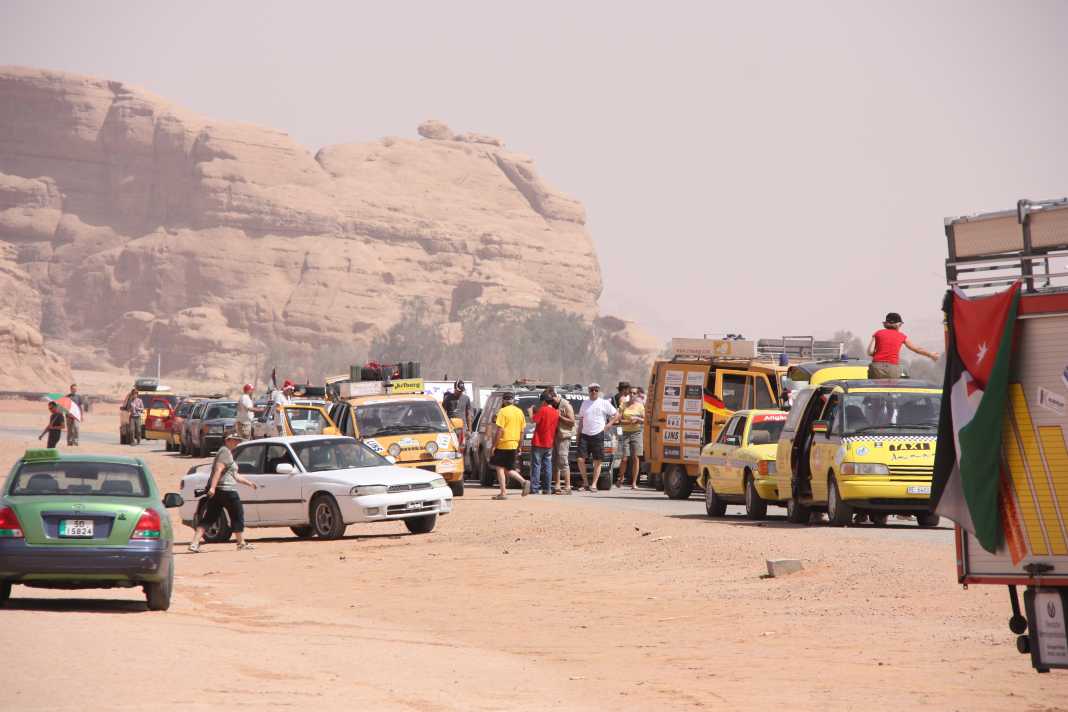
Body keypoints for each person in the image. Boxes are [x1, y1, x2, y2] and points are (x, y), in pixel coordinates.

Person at [188, 433, 260, 552]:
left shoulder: (226, 453)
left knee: (209, 517)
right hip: (227, 491)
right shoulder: (225, 452)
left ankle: (194, 543)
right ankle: (241, 543)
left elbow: (234, 475)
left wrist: (249, 483)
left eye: (238, 440)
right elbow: (218, 470)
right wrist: (212, 487)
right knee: (237, 514)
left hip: (219, 492)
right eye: (235, 440)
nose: (237, 442)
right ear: (228, 440)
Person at [867, 312, 939, 379]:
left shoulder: (878, 333)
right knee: (892, 390)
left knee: (875, 390)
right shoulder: (902, 336)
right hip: (893, 368)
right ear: (899, 324)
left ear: (886, 323)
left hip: (877, 367)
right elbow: (917, 349)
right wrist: (931, 355)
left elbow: (870, 351)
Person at [576, 383, 618, 492]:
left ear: (598, 391)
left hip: (598, 434)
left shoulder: (603, 403)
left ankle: (594, 484)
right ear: (589, 391)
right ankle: (585, 483)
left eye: (596, 390)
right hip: (585, 434)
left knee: (597, 461)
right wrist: (578, 434)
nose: (593, 392)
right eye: (591, 390)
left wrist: (608, 425)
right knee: (580, 459)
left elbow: (617, 414)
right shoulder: (585, 403)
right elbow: (581, 420)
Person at [490, 392, 531, 499]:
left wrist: (494, 445)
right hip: (514, 444)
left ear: (503, 401)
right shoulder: (519, 412)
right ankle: (523, 482)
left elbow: (499, 430)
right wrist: (519, 445)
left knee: (499, 468)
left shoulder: (502, 412)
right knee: (508, 468)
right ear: (513, 401)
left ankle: (503, 493)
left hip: (503, 444)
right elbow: (522, 431)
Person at [530, 390, 559, 495]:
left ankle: (534, 488)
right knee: (548, 466)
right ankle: (547, 488)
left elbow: (534, 420)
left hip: (538, 442)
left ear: (544, 401)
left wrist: (530, 412)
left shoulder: (542, 410)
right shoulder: (556, 412)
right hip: (549, 443)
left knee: (536, 465)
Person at [548, 387, 575, 495]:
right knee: (555, 461)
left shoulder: (566, 405)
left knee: (563, 460)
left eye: (551, 400)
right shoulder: (552, 405)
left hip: (564, 436)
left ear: (555, 396)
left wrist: (559, 416)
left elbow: (572, 421)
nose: (550, 402)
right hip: (555, 435)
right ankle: (557, 485)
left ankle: (568, 487)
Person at [618, 387, 645, 489]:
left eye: (634, 393)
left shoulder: (640, 406)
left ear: (637, 395)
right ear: (628, 394)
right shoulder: (623, 405)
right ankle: (621, 478)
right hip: (625, 433)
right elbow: (619, 420)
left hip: (637, 433)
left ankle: (634, 482)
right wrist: (630, 421)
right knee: (624, 458)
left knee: (636, 458)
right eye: (631, 393)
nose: (632, 395)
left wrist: (638, 419)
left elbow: (644, 419)